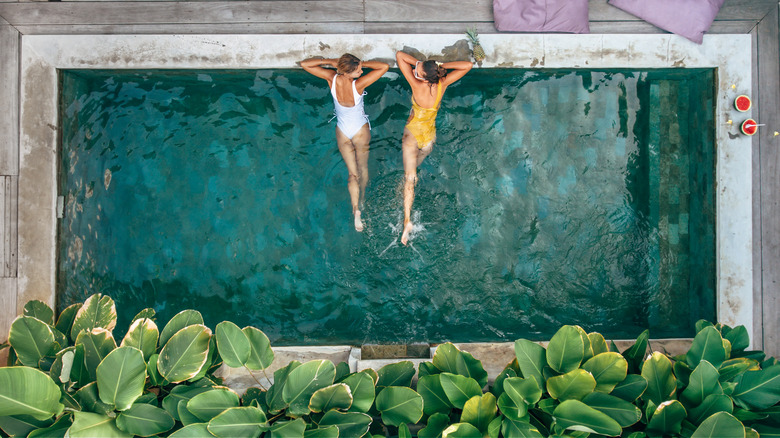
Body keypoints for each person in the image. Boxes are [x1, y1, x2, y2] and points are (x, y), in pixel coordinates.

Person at [301, 54, 389, 232]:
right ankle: (362, 201)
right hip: (359, 131)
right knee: (362, 168)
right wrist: (361, 63)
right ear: (349, 73)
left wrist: (330, 62)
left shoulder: (331, 78)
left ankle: (355, 208)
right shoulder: (357, 84)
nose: (362, 71)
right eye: (358, 70)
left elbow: (305, 64)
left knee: (352, 174)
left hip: (342, 131)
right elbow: (384, 67)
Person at [395, 51, 472, 245]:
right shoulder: (442, 84)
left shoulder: (416, 84)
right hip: (429, 138)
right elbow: (467, 65)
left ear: (421, 77)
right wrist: (441, 66)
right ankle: (406, 192)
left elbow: (399, 56)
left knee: (409, 179)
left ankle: (407, 220)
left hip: (412, 135)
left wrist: (419, 63)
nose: (414, 71)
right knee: (412, 174)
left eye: (418, 71)